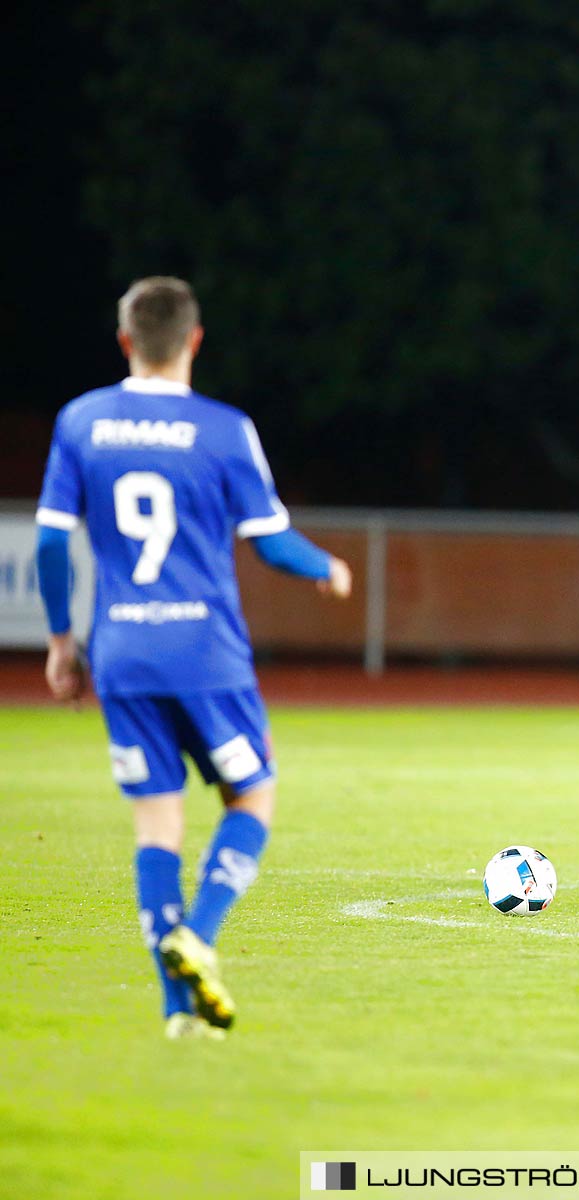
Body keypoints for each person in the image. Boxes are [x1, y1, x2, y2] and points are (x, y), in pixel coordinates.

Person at [35, 277, 353, 1039]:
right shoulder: (223, 428)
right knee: (253, 796)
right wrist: (327, 569)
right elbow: (270, 541)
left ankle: (180, 1014)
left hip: (120, 651)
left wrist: (59, 642)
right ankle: (200, 935)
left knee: (156, 827)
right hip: (205, 652)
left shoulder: (81, 420)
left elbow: (51, 540)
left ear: (125, 341)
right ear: (194, 340)